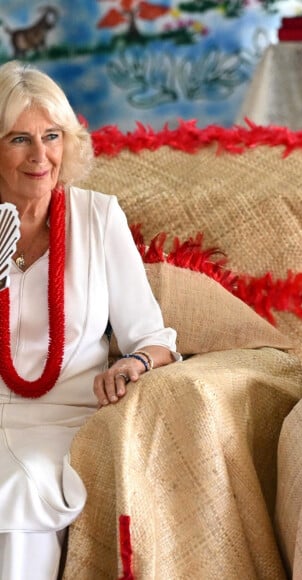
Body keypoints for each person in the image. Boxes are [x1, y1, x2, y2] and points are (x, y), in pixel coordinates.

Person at [0, 60, 179, 579]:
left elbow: (153, 337)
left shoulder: (98, 217)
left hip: (64, 424)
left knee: (18, 488)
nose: (40, 156)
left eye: (52, 136)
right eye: (18, 140)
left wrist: (134, 364)